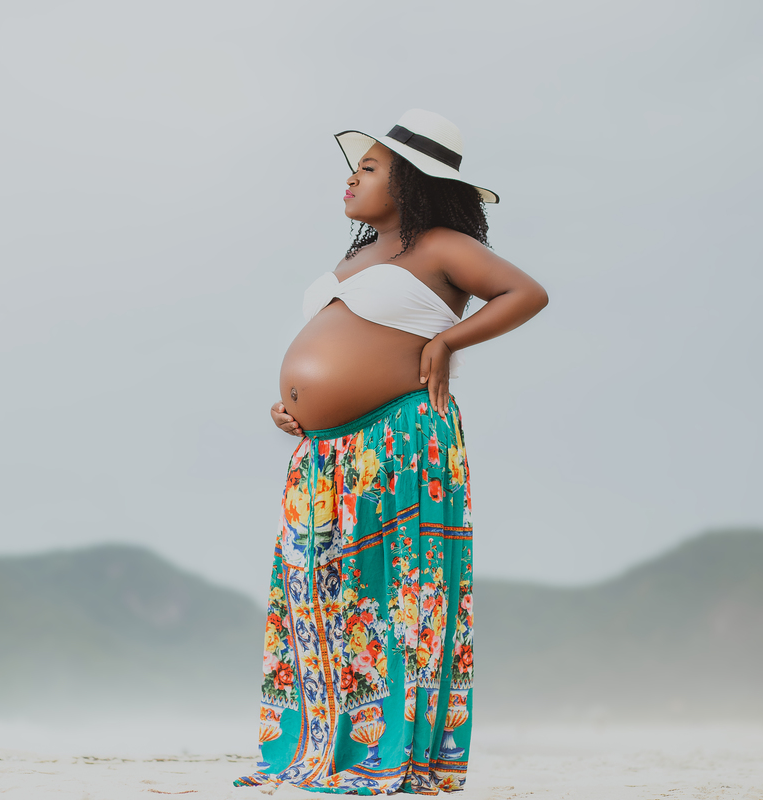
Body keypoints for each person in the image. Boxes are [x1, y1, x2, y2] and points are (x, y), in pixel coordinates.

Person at [235, 109, 548, 795]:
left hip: (398, 439)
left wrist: (446, 343)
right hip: (326, 451)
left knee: (391, 599)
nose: (352, 178)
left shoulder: (440, 244)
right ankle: (317, 748)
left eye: (370, 168)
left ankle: (387, 754)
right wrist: (298, 406)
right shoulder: (354, 258)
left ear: (409, 183)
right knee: (318, 593)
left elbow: (526, 292)